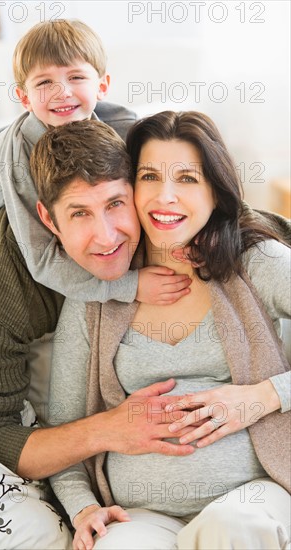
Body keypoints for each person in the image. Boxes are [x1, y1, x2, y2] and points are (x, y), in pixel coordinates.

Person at [0, 120, 194, 549]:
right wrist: (109, 429)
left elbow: (256, 232)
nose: (106, 237)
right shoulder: (1, 282)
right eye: (79, 213)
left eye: (115, 204)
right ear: (49, 220)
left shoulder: (167, 211)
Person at [48, 111, 291, 550]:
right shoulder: (97, 292)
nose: (165, 196)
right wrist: (83, 506)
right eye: (149, 176)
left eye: (187, 178)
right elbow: (65, 428)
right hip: (140, 515)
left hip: (251, 497)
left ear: (215, 191)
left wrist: (263, 396)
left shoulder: (257, 262)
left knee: (232, 527)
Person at [0, 18, 183, 305]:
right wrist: (129, 287)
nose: (63, 92)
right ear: (24, 98)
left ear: (102, 85)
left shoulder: (117, 121)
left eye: (76, 77)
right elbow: (42, 260)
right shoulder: (19, 158)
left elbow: (165, 157)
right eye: (45, 82)